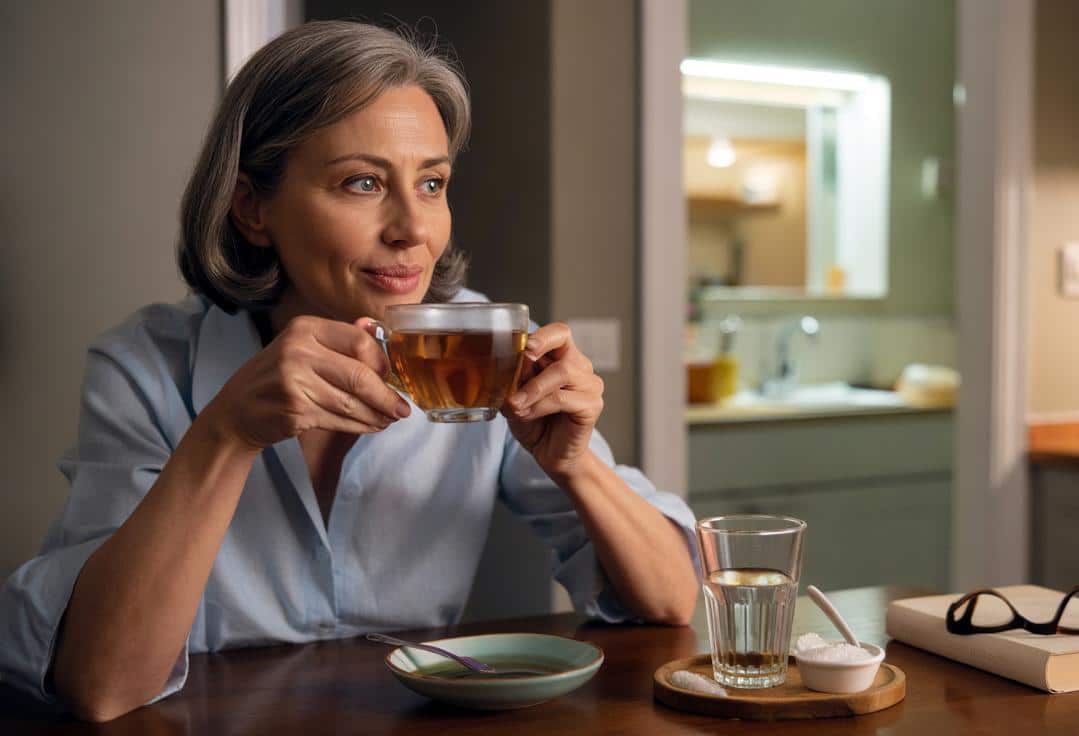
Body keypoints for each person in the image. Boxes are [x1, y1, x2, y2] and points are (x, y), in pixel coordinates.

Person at [0, 20, 699, 722]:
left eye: (431, 183)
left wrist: (577, 465)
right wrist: (226, 434)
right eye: (362, 182)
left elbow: (674, 600)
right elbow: (104, 683)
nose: (412, 229)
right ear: (252, 208)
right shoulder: (146, 367)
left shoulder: (479, 344)